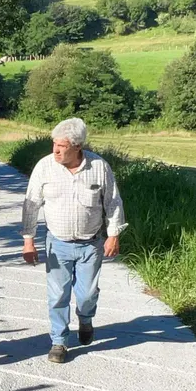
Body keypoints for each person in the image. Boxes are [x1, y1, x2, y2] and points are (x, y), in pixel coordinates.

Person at [21, 118, 126, 364]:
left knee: (87, 294)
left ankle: (86, 319)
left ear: (77, 146)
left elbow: (112, 202)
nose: (55, 150)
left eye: (62, 146)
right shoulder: (45, 167)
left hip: (91, 243)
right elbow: (31, 204)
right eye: (54, 144)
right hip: (57, 243)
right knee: (58, 294)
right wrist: (29, 240)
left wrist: (114, 234)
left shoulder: (99, 166)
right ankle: (59, 341)